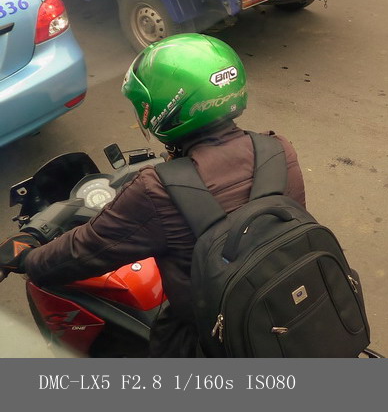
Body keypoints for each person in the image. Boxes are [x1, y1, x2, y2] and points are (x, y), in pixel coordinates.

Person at [0, 34, 305, 358]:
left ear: (162, 108)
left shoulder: (158, 190)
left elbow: (83, 251)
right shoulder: (278, 150)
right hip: (287, 303)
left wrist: (26, 257)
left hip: (210, 338)